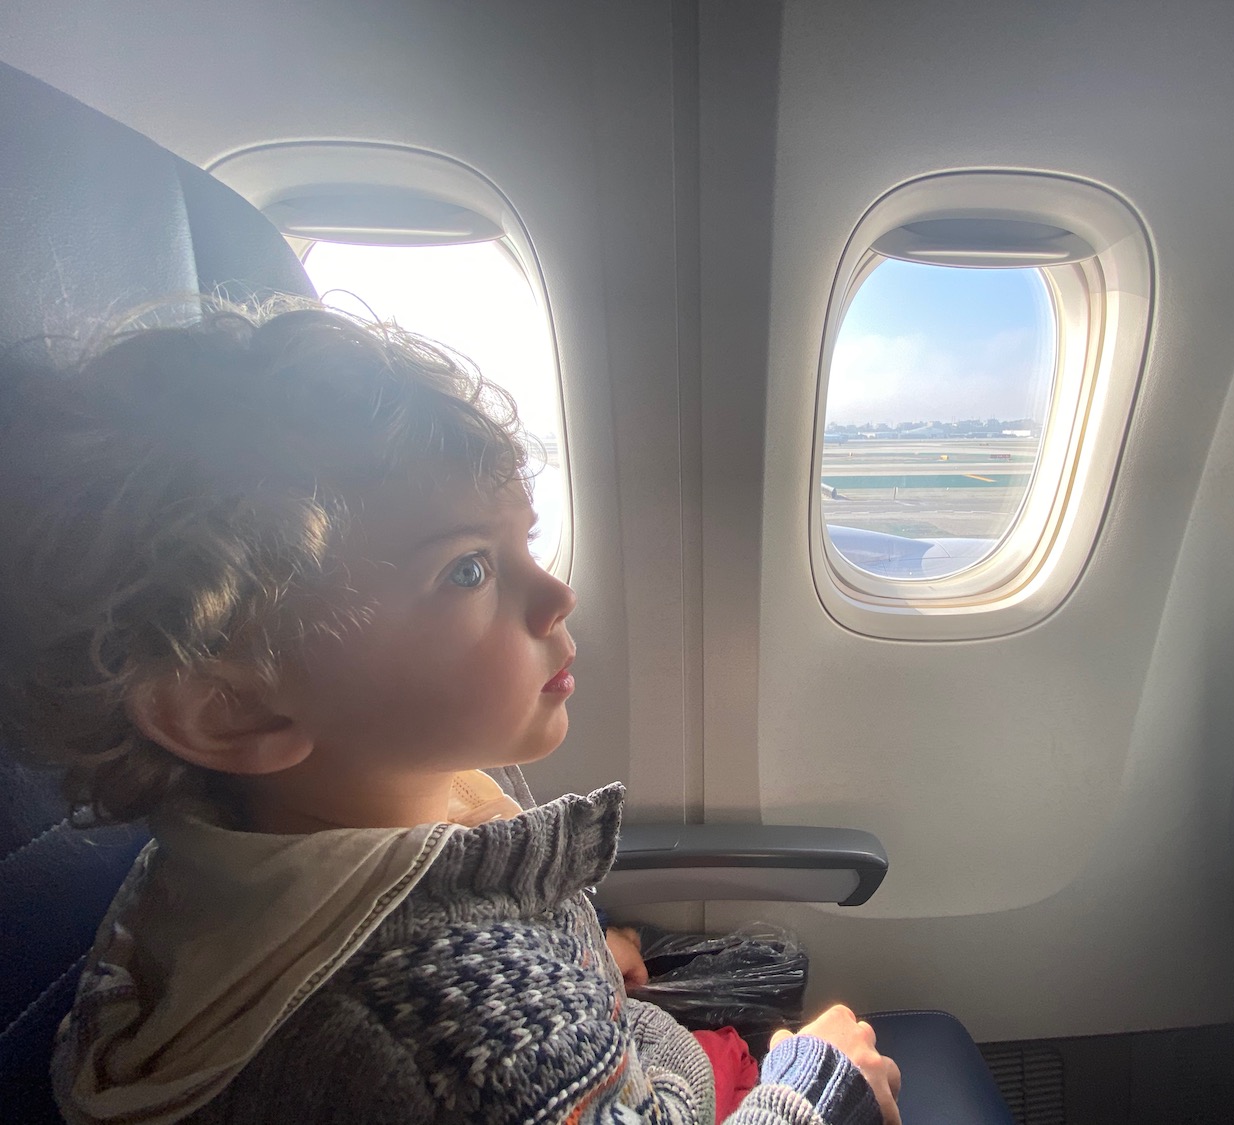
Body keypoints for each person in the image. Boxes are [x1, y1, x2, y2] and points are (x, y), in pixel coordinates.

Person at [0, 301, 901, 1125]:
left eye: (526, 540)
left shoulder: (236, 852)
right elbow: (483, 1054)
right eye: (466, 568)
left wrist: (583, 962)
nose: (557, 594)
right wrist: (819, 1092)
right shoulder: (438, 1045)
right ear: (229, 707)